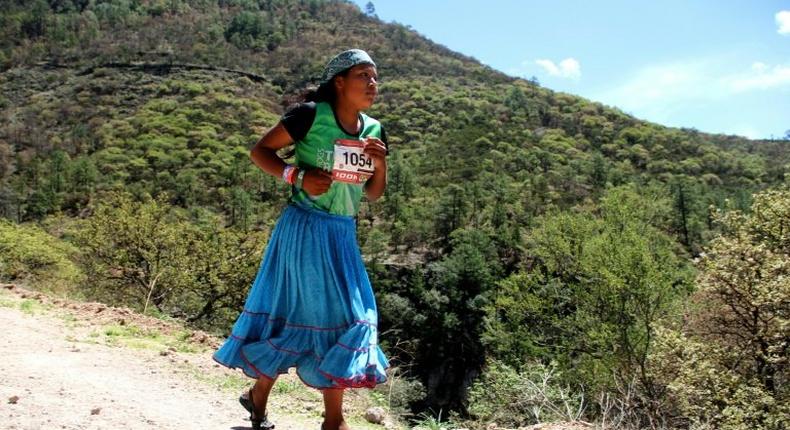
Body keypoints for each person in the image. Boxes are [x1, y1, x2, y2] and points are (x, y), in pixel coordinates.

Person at [212, 49, 390, 430]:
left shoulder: (374, 130)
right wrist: (296, 176)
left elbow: (373, 193)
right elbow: (260, 151)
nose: (372, 84)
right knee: (306, 314)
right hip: (305, 226)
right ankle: (331, 419)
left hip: (342, 233)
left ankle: (272, 399)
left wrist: (381, 162)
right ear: (339, 82)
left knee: (351, 318)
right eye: (363, 75)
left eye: (375, 77)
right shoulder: (310, 115)